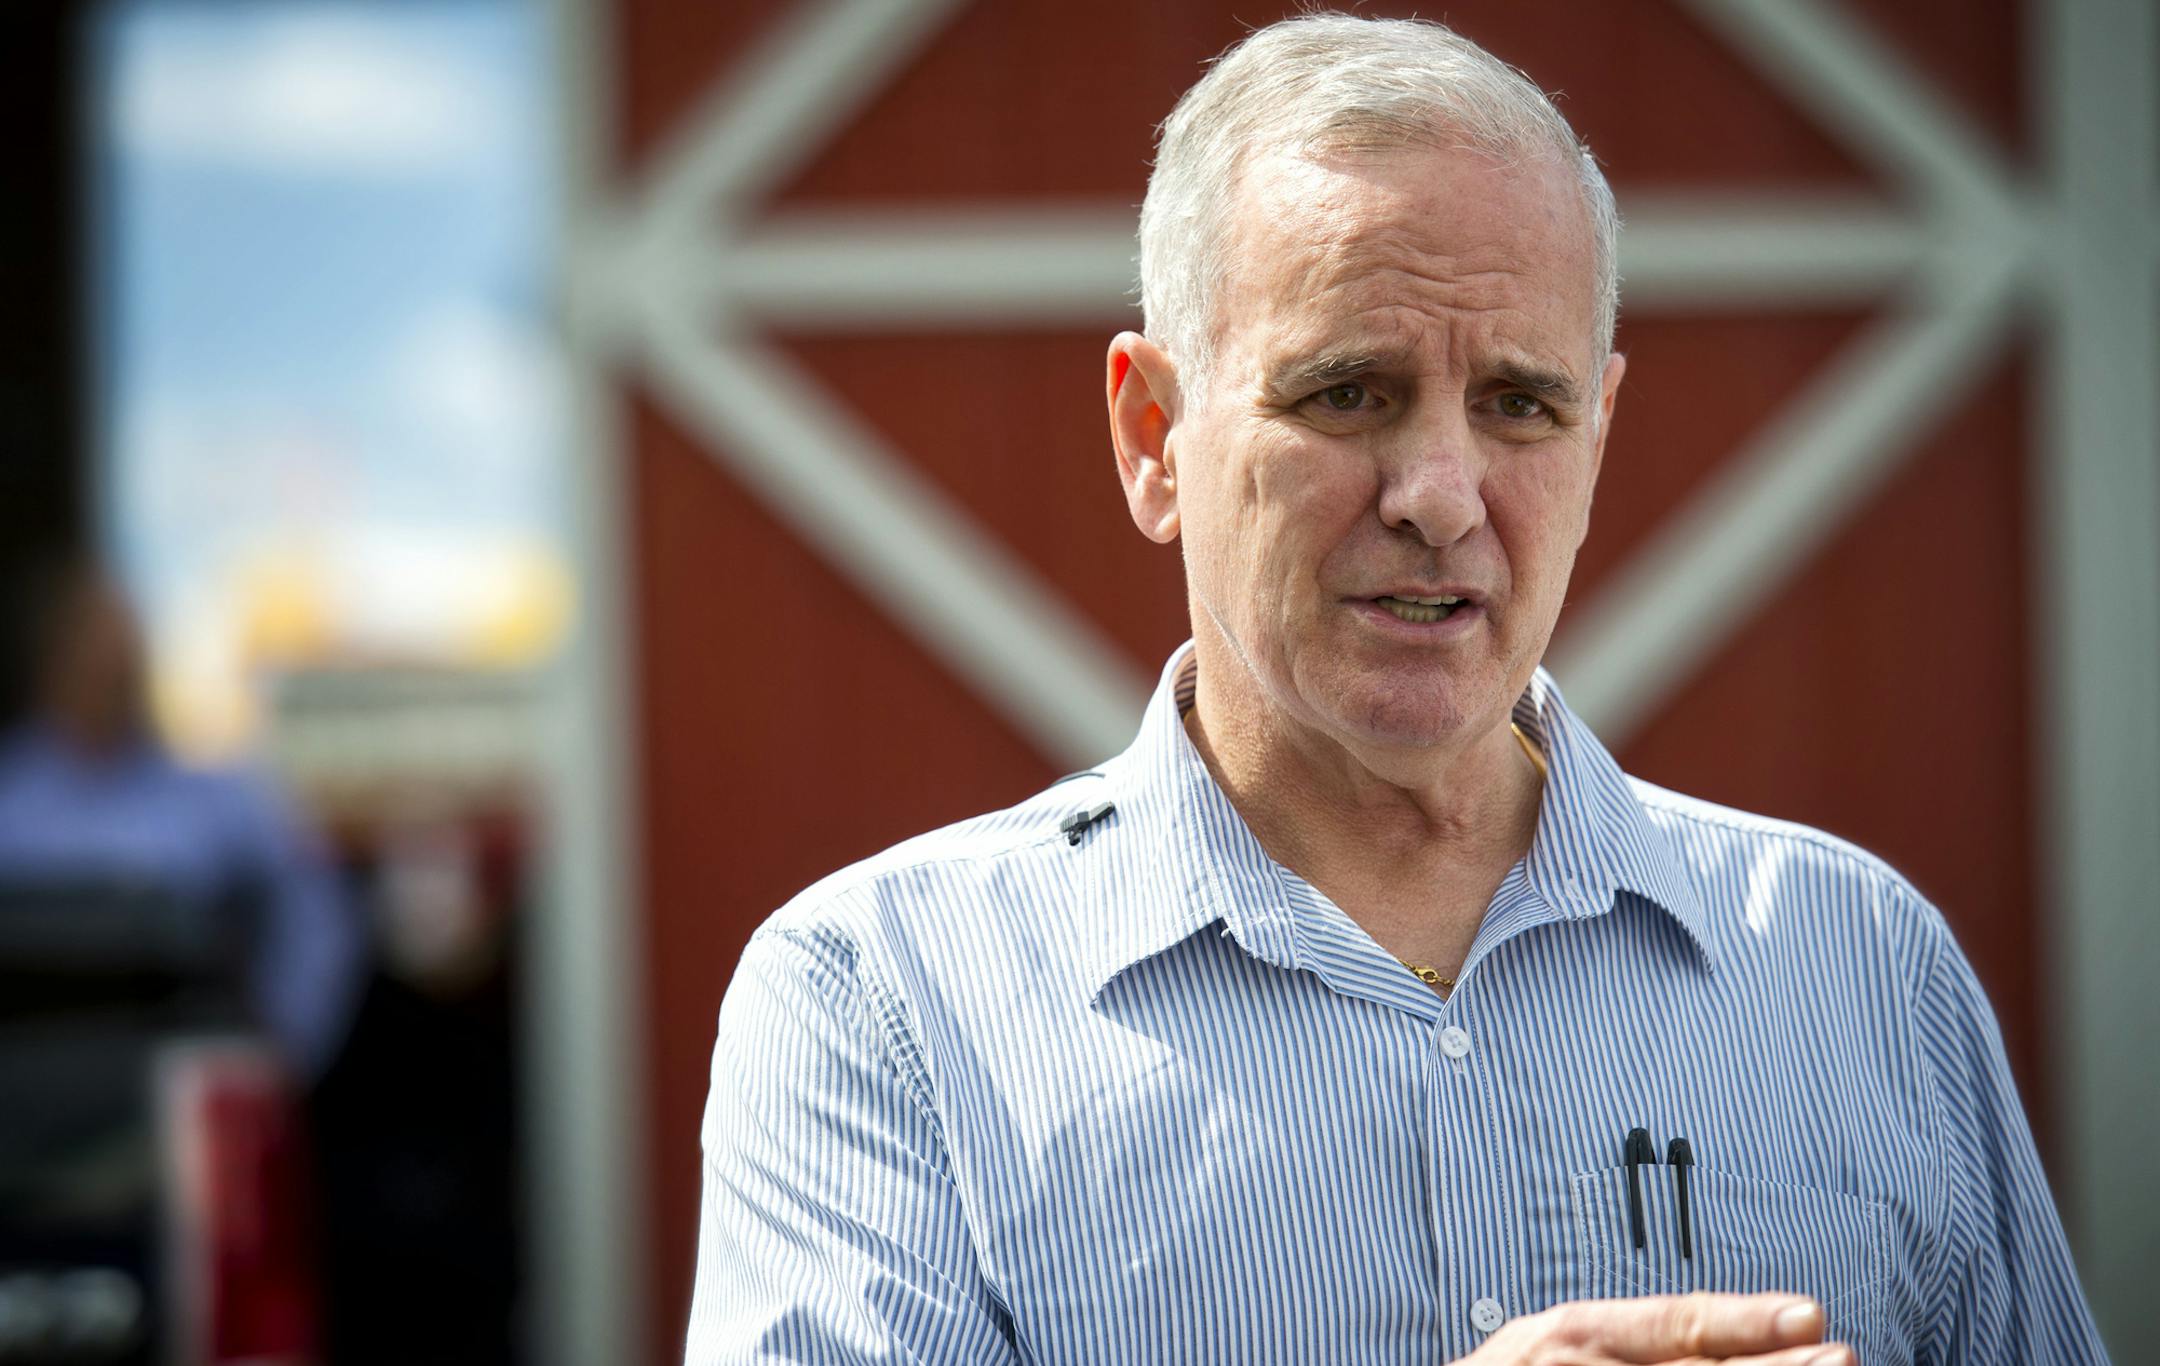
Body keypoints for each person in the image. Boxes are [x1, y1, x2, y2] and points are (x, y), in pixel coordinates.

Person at [685, 15, 2106, 1365]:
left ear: (1597, 437)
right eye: (1349, 393)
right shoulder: (885, 1004)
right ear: (1152, 438)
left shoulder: (1858, 966)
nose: (1440, 495)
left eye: (1519, 404)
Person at [0, 559, 362, 1076]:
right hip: (34, 1100)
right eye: (98, 661)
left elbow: (318, 919)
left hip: (181, 1091)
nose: (117, 678)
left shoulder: (215, 796)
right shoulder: (11, 803)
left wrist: (278, 1058)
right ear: (53, 665)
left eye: (128, 660)